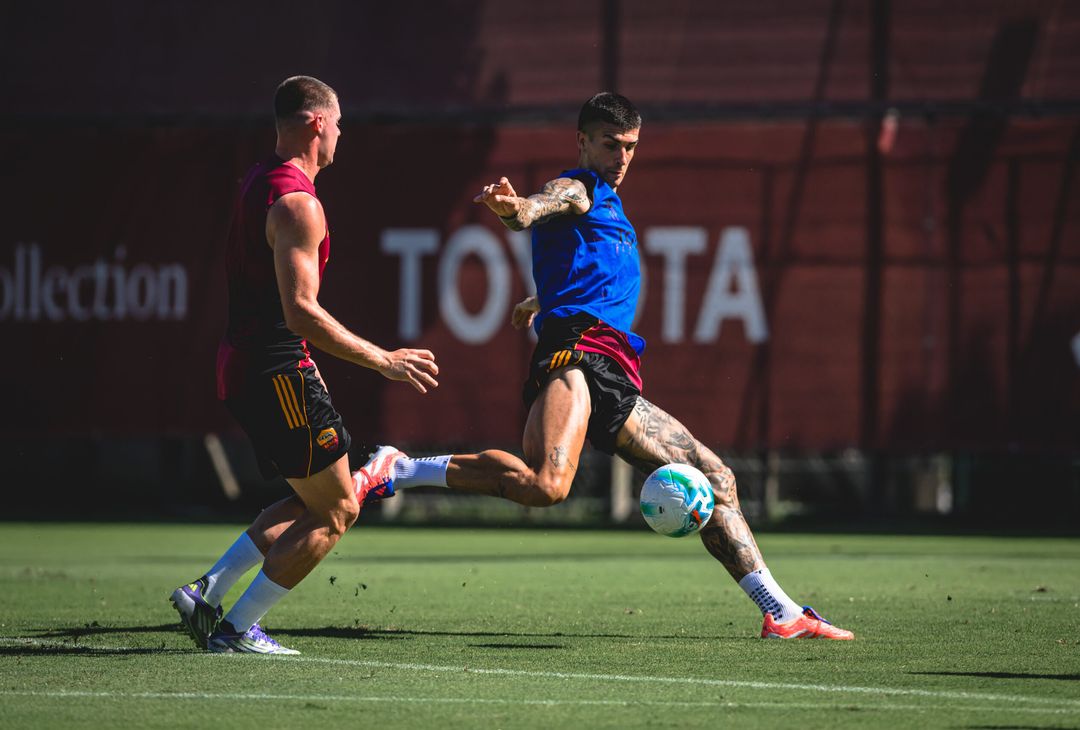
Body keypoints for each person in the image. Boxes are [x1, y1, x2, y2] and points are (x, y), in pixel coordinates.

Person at [359, 92, 853, 640]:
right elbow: (540, 207)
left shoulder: (612, 208)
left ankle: (781, 612)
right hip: (577, 357)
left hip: (610, 370)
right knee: (547, 486)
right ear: (583, 142)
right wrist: (514, 209)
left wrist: (542, 297)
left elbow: (585, 274)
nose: (622, 156)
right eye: (611, 144)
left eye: (631, 146)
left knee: (716, 479)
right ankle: (398, 468)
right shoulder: (580, 188)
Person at [169, 76, 439, 654]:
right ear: (317, 123)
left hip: (250, 365)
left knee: (315, 496)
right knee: (339, 509)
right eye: (338, 123)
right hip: (276, 369)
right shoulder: (297, 203)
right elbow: (302, 315)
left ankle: (207, 589)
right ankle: (236, 631)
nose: (342, 134)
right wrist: (383, 360)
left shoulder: (260, 180)